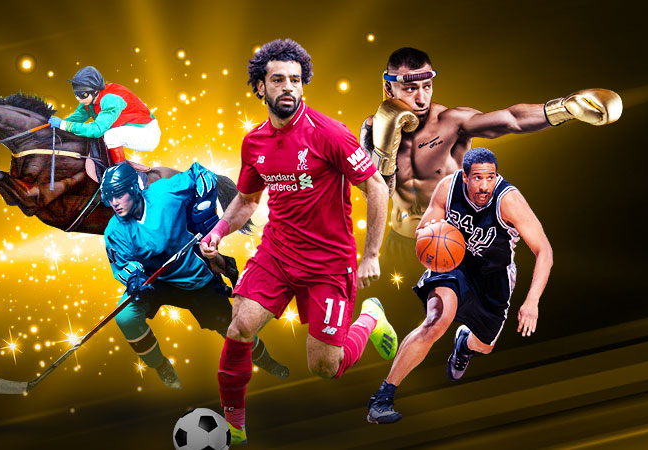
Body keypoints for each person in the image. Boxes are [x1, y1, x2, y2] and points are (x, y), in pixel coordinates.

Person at [196, 38, 395, 445]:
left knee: (324, 367)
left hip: (329, 263)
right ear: (260, 87)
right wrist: (217, 231)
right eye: (278, 79)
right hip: (278, 253)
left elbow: (376, 186)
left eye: (295, 79)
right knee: (239, 327)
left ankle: (370, 318)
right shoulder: (254, 142)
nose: (288, 87)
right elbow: (247, 201)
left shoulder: (330, 134)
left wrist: (372, 254)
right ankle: (234, 424)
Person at [364, 148, 554, 424]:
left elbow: (544, 250)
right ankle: (383, 397)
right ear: (465, 176)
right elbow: (426, 227)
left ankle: (464, 344)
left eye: (490, 177)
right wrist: (430, 235)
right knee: (436, 321)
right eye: (478, 178)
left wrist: (532, 300)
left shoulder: (509, 201)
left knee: (485, 345)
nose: (485, 185)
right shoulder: (448, 188)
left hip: (494, 276)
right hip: (455, 265)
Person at [363, 46, 619, 239]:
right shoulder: (373, 128)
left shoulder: (452, 122)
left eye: (427, 86)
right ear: (389, 89)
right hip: (399, 241)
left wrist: (563, 108)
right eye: (410, 89)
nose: (421, 99)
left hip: (453, 240)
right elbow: (373, 194)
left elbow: (511, 119)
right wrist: (384, 150)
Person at [99, 163, 286, 389]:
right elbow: (123, 263)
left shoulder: (164, 193)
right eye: (110, 197)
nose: (114, 203)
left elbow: (201, 174)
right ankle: (160, 365)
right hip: (153, 282)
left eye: (119, 195)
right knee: (125, 317)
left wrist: (204, 205)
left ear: (133, 189)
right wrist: (134, 279)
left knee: (233, 328)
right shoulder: (114, 230)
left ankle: (266, 360)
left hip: (194, 279)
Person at [53, 66, 161, 169]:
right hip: (130, 130)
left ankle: (121, 172)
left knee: (110, 135)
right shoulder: (88, 101)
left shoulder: (111, 99)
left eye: (83, 95)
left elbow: (96, 130)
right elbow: (74, 119)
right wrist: (50, 125)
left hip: (147, 133)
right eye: (76, 94)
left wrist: (63, 124)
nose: (79, 99)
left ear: (95, 91)